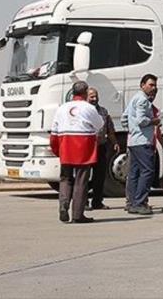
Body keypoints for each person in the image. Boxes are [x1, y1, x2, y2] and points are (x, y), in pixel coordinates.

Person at [50, 80, 104, 223]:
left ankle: (63, 204)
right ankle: (77, 214)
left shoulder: (62, 108)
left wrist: (57, 150)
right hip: (83, 145)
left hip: (65, 144)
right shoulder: (89, 108)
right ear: (85, 93)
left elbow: (54, 131)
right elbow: (100, 124)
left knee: (65, 178)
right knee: (81, 180)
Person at [124, 74, 160, 215]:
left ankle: (132, 202)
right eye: (151, 85)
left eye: (155, 85)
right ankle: (139, 202)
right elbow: (141, 120)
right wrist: (153, 121)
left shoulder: (134, 98)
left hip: (134, 141)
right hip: (142, 140)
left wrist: (131, 130)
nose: (153, 88)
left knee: (134, 172)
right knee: (147, 171)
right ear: (142, 85)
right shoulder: (143, 100)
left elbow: (124, 118)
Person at [86, 88, 119, 210]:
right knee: (85, 176)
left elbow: (110, 130)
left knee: (99, 176)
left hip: (101, 146)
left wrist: (115, 142)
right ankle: (83, 202)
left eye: (96, 96)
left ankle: (97, 201)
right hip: (87, 148)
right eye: (91, 97)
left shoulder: (103, 111)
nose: (94, 99)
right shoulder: (83, 111)